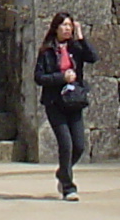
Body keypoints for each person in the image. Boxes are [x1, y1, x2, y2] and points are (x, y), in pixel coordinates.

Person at [34, 12, 100, 201]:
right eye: (63, 25)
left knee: (78, 146)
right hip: (55, 103)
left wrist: (81, 35)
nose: (67, 29)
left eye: (70, 25)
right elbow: (39, 78)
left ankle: (63, 172)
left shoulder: (76, 48)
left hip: (74, 101)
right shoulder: (46, 51)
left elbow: (93, 57)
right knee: (66, 144)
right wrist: (61, 78)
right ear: (55, 28)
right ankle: (68, 186)